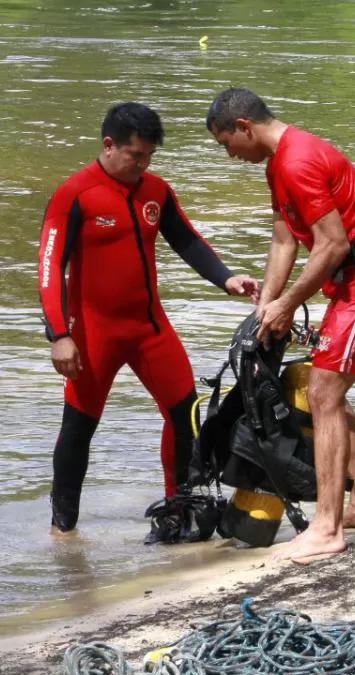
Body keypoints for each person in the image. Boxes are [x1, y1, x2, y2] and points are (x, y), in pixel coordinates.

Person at [205, 87, 355, 562]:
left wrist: (289, 303)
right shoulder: (278, 165)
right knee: (327, 386)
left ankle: (327, 528)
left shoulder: (297, 160)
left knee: (322, 390)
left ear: (244, 127)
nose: (229, 155)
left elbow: (333, 244)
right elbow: (284, 240)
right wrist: (266, 307)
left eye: (225, 144)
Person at [38, 102, 258, 536]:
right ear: (108, 145)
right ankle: (63, 531)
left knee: (185, 413)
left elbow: (187, 241)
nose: (142, 165)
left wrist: (226, 278)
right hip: (95, 334)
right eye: (135, 155)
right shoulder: (74, 194)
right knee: (79, 428)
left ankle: (180, 509)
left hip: (149, 330)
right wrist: (59, 335)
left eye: (149, 157)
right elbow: (49, 269)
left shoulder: (156, 191)